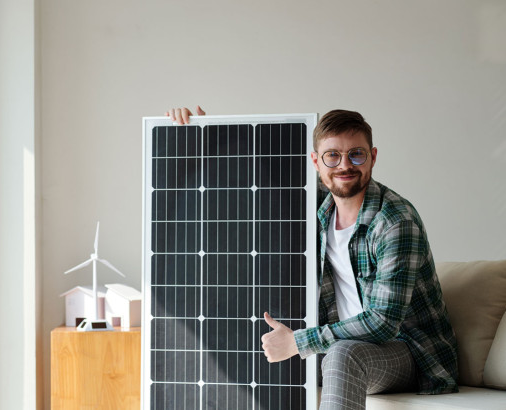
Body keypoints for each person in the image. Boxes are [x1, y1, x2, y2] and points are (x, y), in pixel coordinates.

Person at [166, 107, 458, 410]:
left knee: (342, 353)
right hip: (340, 344)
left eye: (356, 154)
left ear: (373, 156)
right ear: (316, 161)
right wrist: (204, 133)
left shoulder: (395, 221)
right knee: (252, 343)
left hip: (408, 353)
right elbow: (251, 184)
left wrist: (299, 342)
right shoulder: (316, 205)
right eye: (333, 156)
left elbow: (382, 323)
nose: (345, 165)